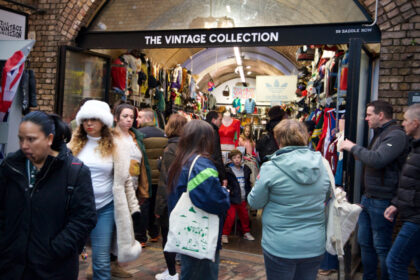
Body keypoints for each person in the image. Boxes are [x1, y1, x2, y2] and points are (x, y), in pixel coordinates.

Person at [0, 111, 97, 280]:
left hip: (52, 269)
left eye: (31, 139)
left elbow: (84, 218)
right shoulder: (11, 167)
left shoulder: (74, 171)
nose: (24, 145)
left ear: (49, 139)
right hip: (11, 266)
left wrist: (56, 248)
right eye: (21, 139)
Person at [248, 119, 330, 280]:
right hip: (313, 243)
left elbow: (254, 202)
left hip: (280, 244)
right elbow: (326, 196)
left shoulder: (271, 168)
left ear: (279, 141)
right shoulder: (322, 164)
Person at [68, 100, 141, 280]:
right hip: (76, 209)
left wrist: (134, 209)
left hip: (104, 208)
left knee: (101, 261)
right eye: (85, 120)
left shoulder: (117, 146)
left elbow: (125, 181)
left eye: (94, 119)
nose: (89, 124)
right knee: (67, 257)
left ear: (104, 121)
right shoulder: (72, 145)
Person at [340, 100, 408, 280]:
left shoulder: (395, 135)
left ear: (381, 115)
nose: (366, 118)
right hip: (369, 198)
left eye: (369, 114)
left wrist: (352, 147)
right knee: (365, 244)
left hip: (383, 200)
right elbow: (373, 160)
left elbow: (378, 159)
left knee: (381, 247)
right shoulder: (380, 134)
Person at [167, 120, 230, 280]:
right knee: (202, 273)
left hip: (186, 230)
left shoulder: (181, 160)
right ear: (205, 140)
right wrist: (224, 193)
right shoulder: (202, 165)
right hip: (201, 232)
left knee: (189, 272)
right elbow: (213, 200)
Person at [112, 103, 151, 278]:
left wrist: (142, 190)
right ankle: (104, 263)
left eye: (131, 117)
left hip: (133, 187)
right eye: (125, 116)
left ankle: (114, 262)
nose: (129, 120)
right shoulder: (111, 137)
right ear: (116, 117)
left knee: (124, 226)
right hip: (116, 188)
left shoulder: (136, 137)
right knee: (113, 226)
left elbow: (144, 166)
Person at [384, 103, 420, 279]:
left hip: (416, 218)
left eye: (406, 120)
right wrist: (397, 203)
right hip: (410, 214)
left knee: (395, 261)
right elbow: (411, 182)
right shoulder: (414, 147)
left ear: (416, 123)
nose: (403, 123)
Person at [154, 113, 188, 280]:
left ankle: (172, 272)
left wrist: (159, 208)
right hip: (187, 199)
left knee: (168, 237)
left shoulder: (170, 149)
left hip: (172, 201)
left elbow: (165, 181)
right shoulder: (189, 147)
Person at [137, 107, 168, 247]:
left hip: (146, 177)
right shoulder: (164, 134)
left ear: (148, 119)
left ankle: (141, 237)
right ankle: (155, 233)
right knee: (156, 206)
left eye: (140, 117)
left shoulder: (139, 134)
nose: (137, 120)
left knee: (144, 206)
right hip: (160, 177)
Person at [222, 149, 255, 244]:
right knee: (230, 217)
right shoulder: (228, 171)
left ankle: (246, 232)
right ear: (231, 159)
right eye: (234, 158)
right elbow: (226, 183)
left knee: (245, 216)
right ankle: (224, 234)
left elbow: (248, 183)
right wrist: (230, 191)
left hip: (243, 198)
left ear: (241, 158)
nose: (237, 160)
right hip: (232, 199)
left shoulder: (246, 170)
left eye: (238, 157)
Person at [205, 110, 227, 186]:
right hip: (212, 168)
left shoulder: (202, 130)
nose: (221, 122)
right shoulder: (213, 132)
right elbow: (217, 155)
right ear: (214, 120)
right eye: (220, 120)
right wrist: (223, 176)